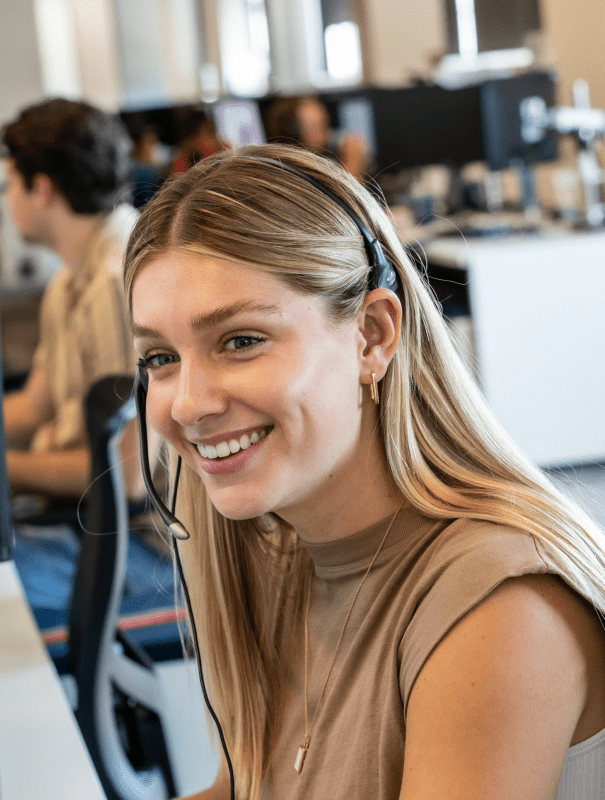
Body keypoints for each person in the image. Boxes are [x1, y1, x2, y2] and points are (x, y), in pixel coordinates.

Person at [123, 144, 605, 800]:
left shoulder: (499, 605)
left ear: (372, 337)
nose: (187, 403)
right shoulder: (285, 549)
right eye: (160, 357)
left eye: (240, 341)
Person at [0, 98, 141, 505]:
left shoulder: (115, 283)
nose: (7, 199)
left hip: (128, 540)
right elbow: (35, 406)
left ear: (41, 189)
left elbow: (130, 474)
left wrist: (2, 472)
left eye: (9, 182)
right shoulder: (68, 282)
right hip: (77, 514)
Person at [264, 95, 367, 180]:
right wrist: (352, 166)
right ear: (293, 136)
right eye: (317, 128)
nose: (326, 134)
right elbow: (340, 203)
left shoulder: (324, 161)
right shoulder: (292, 175)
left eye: (326, 124)